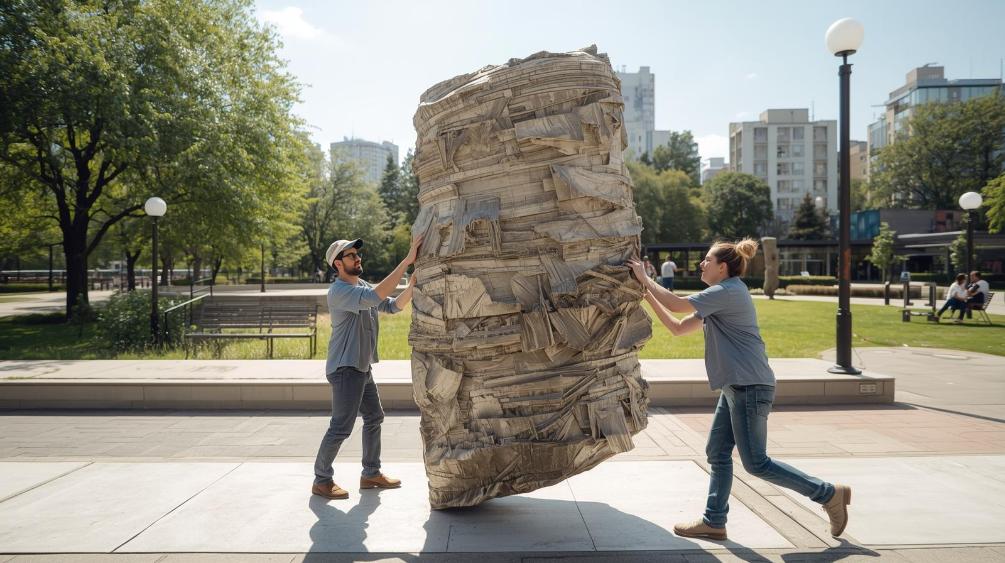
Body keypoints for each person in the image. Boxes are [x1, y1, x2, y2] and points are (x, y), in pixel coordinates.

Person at [626, 239, 851, 541]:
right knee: (717, 452)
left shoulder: (729, 291)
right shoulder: (721, 296)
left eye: (707, 260)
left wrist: (645, 277)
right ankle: (714, 521)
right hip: (737, 387)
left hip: (750, 387)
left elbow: (678, 304)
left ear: (723, 267)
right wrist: (645, 294)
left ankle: (827, 494)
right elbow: (678, 327)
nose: (702, 264)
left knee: (756, 463)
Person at [312, 234, 423, 500]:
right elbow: (376, 296)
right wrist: (407, 260)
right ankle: (321, 479)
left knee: (374, 417)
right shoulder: (339, 292)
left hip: (361, 367)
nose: (357, 257)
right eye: (351, 255)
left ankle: (371, 473)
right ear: (338, 263)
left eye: (357, 254)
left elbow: (391, 306)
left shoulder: (360, 285)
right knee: (341, 427)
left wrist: (413, 286)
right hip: (345, 369)